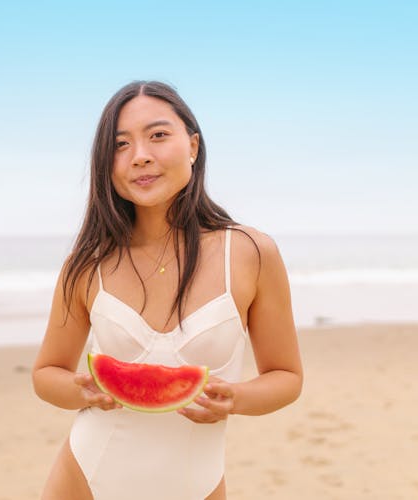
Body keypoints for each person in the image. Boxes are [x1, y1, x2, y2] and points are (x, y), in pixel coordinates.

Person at [31, 81, 303, 500]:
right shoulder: (87, 264)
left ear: (193, 145)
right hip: (86, 477)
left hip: (198, 485)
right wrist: (82, 389)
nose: (140, 156)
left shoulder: (250, 252)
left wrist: (236, 398)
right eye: (120, 145)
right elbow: (46, 373)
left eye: (158, 135)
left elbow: (287, 377)